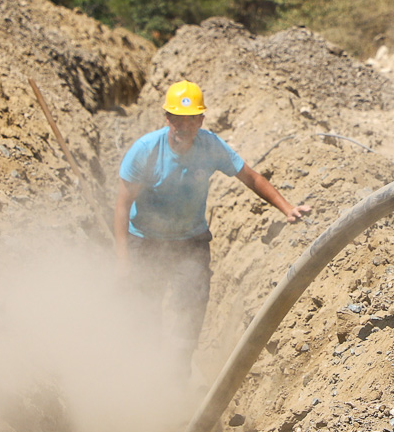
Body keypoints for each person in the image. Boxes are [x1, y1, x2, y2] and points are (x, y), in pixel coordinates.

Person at [115, 80, 311, 377]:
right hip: (146, 241)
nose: (183, 126)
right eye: (177, 119)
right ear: (167, 119)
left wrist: (287, 208)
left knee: (190, 314)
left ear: (201, 120)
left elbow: (251, 177)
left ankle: (178, 378)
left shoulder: (210, 146)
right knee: (144, 314)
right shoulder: (146, 151)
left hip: (190, 243)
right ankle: (145, 378)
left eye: (191, 119)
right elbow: (122, 205)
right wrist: (123, 260)